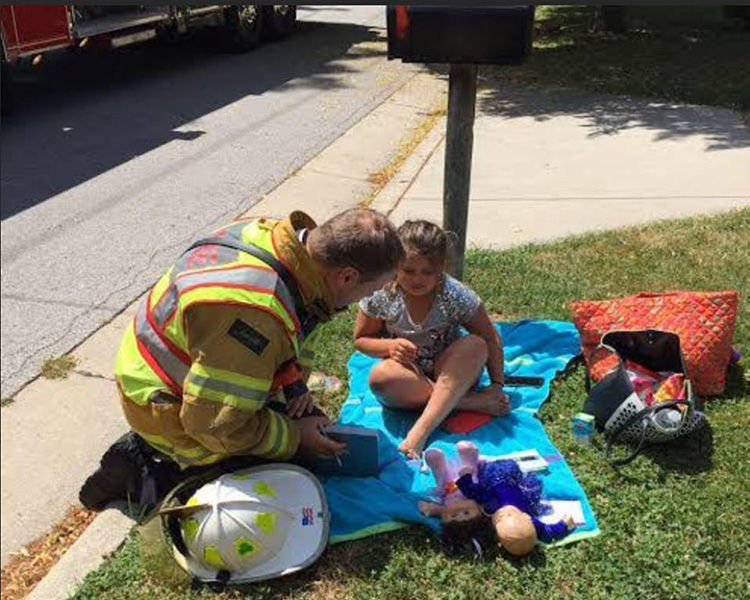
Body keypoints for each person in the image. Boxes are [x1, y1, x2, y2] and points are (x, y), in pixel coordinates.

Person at [80, 208, 403, 511]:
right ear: (346, 277)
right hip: (165, 403)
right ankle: (146, 474)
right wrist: (294, 438)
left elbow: (281, 339)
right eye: (369, 290)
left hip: (167, 369)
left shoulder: (277, 240)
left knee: (294, 430)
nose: (364, 300)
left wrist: (294, 390)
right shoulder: (254, 314)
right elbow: (215, 426)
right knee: (279, 476)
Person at [353, 220, 508, 458]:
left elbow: (489, 336)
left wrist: (497, 384)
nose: (417, 279)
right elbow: (362, 339)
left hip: (451, 372)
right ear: (395, 265)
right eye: (408, 271)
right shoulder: (382, 293)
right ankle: (467, 402)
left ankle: (418, 433)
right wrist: (389, 346)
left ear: (442, 269)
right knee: (380, 378)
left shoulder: (454, 294)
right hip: (408, 376)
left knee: (476, 344)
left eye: (428, 272)